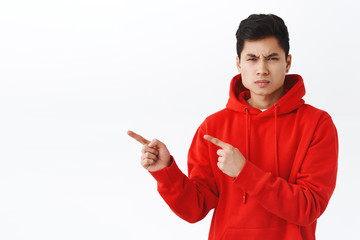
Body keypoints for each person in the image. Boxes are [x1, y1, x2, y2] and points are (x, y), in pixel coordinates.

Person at [127, 13, 338, 240]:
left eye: (272, 58)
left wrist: (244, 172)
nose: (262, 69)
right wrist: (165, 171)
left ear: (288, 62)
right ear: (238, 63)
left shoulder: (317, 124)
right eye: (252, 58)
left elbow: (308, 207)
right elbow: (194, 210)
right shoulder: (213, 127)